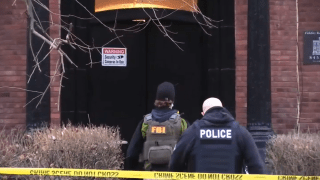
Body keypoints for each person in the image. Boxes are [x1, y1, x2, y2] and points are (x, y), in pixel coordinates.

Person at [169, 97, 266, 174]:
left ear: (203, 113)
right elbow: (256, 166)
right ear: (223, 109)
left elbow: (175, 163)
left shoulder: (193, 132)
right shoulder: (239, 132)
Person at [124, 82, 189, 171]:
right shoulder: (182, 123)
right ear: (172, 101)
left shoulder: (145, 122)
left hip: (150, 173)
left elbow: (131, 153)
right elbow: (190, 151)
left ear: (157, 99)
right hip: (173, 174)